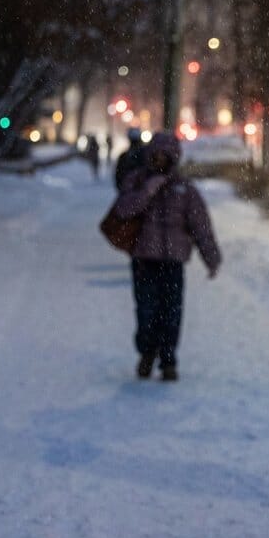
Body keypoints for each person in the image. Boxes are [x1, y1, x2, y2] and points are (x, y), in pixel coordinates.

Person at [113, 132, 221, 381]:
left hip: (173, 261)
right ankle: (147, 352)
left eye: (165, 155)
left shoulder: (184, 189)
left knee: (171, 311)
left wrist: (211, 257)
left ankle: (169, 358)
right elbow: (123, 209)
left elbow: (200, 226)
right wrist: (147, 191)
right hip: (144, 258)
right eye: (156, 155)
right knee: (146, 310)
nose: (159, 159)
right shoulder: (137, 181)